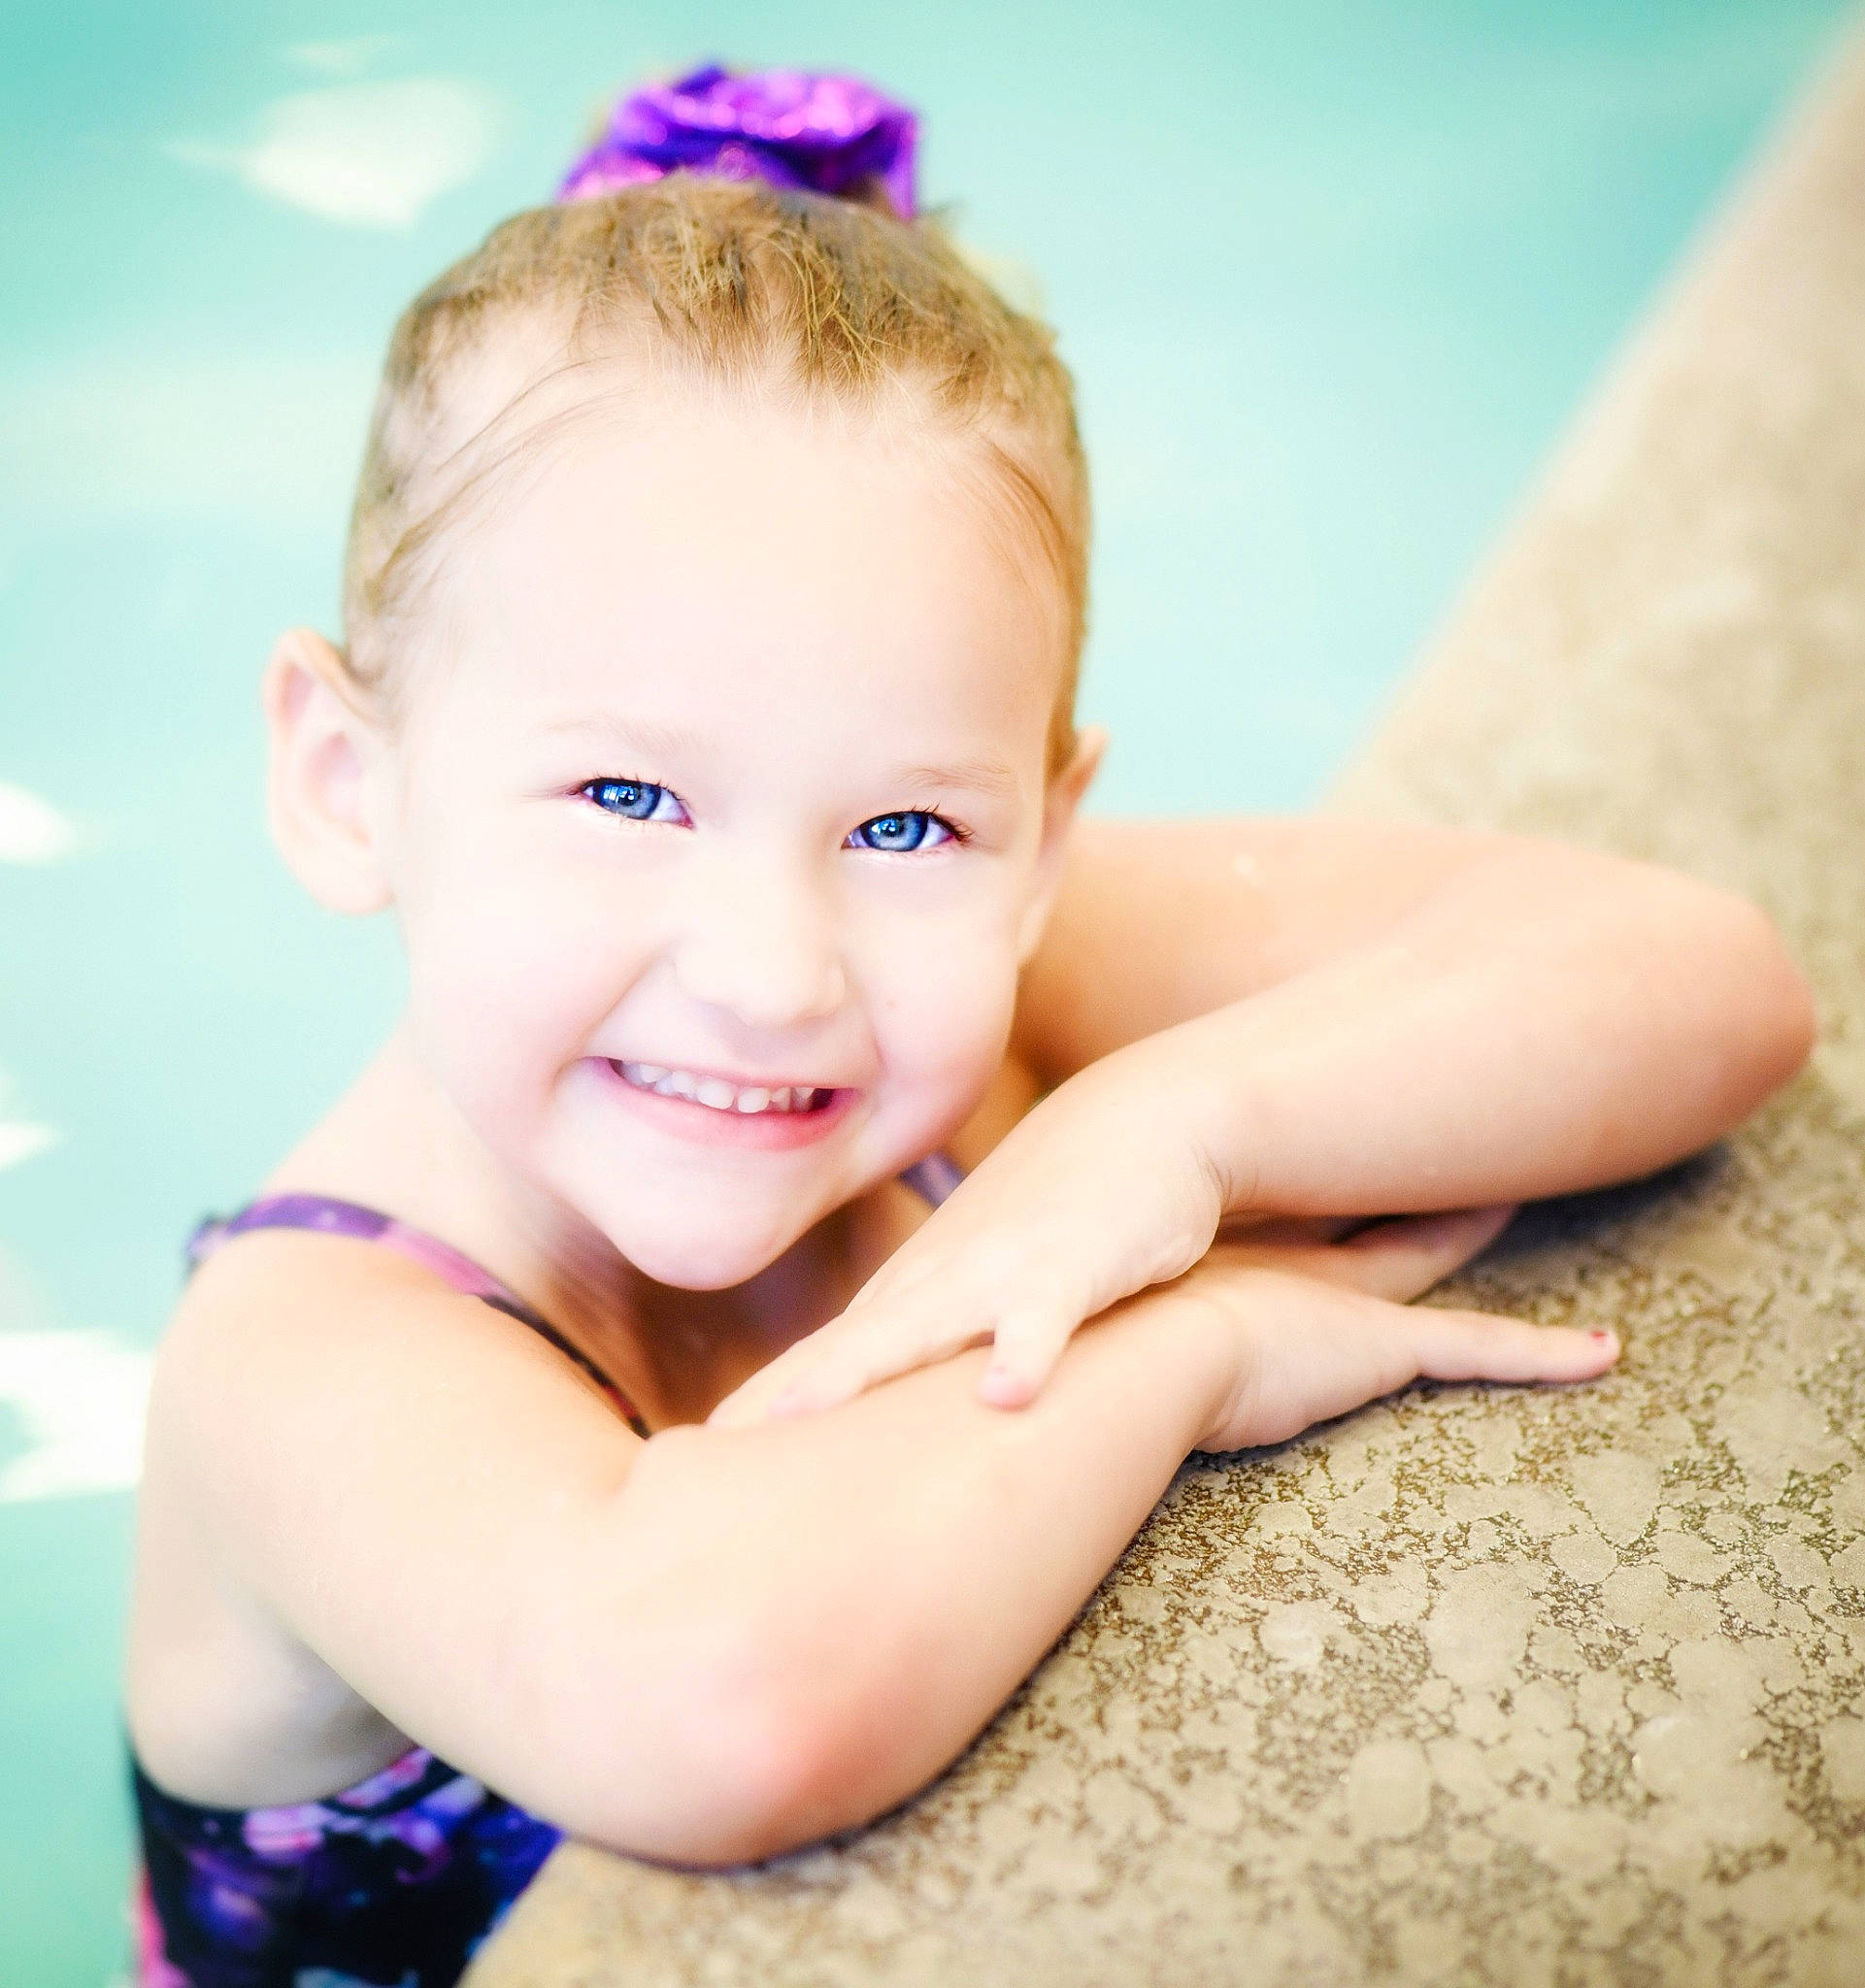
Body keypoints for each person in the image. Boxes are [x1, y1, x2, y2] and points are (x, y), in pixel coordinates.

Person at [122, 63, 1815, 1988]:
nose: (774, 966)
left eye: (908, 822)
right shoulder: (302, 1352)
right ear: (351, 782)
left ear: (1040, 840)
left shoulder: (989, 984)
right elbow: (719, 1708)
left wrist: (1162, 1134)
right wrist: (1181, 1340)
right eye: (625, 800)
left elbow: (1697, 977)